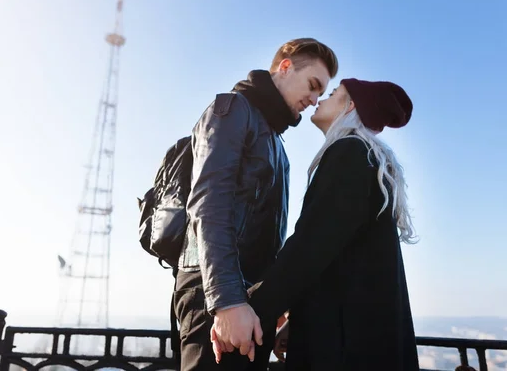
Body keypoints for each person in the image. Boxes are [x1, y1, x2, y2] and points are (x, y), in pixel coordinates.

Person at [212, 78, 421, 370]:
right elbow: (335, 257)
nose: (319, 100)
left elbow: (308, 249)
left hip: (346, 347)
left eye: (333, 94)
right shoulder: (365, 158)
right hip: (360, 336)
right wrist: (296, 320)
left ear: (350, 106)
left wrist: (248, 309)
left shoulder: (350, 153)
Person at [173, 38, 338, 370]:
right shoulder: (233, 109)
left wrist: (274, 301)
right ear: (286, 66)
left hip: (249, 302)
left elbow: (269, 235)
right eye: (313, 85)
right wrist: (227, 301)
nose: (315, 99)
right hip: (215, 295)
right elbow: (209, 204)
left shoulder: (276, 142)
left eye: (322, 92)